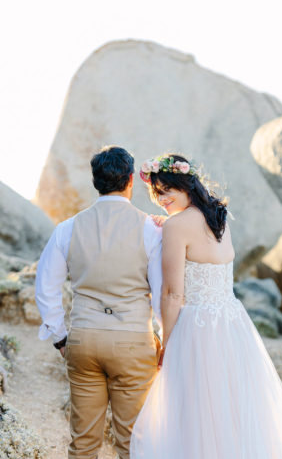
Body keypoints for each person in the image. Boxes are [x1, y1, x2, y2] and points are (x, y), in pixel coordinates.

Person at [130, 154, 282, 459]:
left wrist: (167, 340)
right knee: (234, 407)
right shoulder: (220, 217)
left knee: (195, 410)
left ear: (184, 185)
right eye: (156, 194)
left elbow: (173, 293)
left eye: (165, 191)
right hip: (230, 322)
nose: (160, 200)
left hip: (197, 326)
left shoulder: (177, 225)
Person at [35, 146, 162, 459]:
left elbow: (45, 287)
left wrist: (60, 337)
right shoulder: (151, 228)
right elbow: (161, 292)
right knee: (134, 444)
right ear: (131, 180)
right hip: (133, 342)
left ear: (95, 181)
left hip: (84, 340)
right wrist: (162, 336)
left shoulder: (67, 228)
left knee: (83, 444)